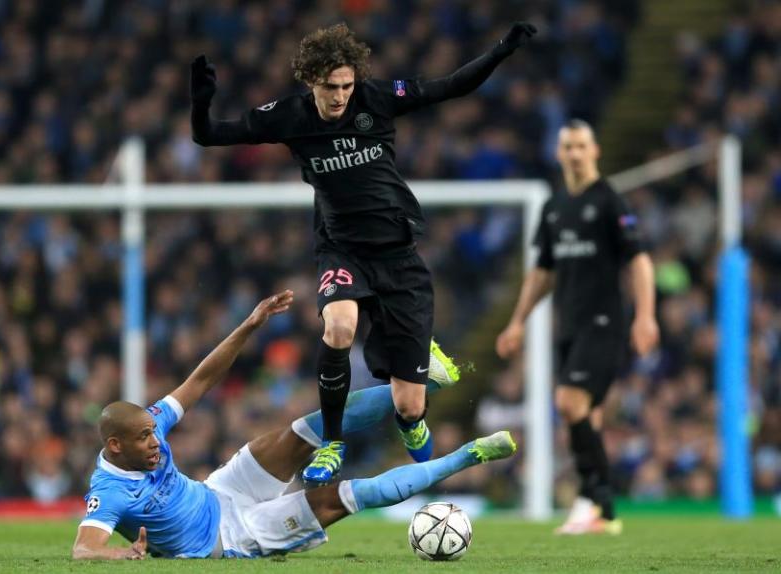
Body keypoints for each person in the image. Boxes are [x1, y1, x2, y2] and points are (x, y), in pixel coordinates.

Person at [190, 21, 537, 483]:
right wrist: (201, 99)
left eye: (347, 86)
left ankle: (411, 421)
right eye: (330, 87)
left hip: (398, 256)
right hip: (342, 250)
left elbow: (450, 87)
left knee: (408, 403)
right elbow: (208, 134)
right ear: (311, 80)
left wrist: (500, 51)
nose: (340, 96)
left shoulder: (376, 98)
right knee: (339, 327)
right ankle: (331, 442)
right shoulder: (289, 117)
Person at [72, 290, 516, 559]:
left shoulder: (146, 424)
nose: (155, 440)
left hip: (220, 490)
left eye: (153, 432)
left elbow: (202, 379)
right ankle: (469, 454)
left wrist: (248, 326)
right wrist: (121, 556)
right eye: (144, 438)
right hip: (232, 536)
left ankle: (426, 384)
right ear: (114, 446)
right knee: (343, 495)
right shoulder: (108, 491)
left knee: (300, 431)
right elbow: (83, 549)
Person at [495, 120, 659, 535]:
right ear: (558, 152)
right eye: (567, 146)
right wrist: (517, 322)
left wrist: (645, 315)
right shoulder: (554, 206)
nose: (574, 153)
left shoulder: (608, 201)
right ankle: (595, 510)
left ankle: (599, 500)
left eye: (581, 146)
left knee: (568, 402)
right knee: (587, 417)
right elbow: (543, 272)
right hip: (568, 326)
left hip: (603, 323)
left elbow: (639, 260)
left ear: (595, 151)